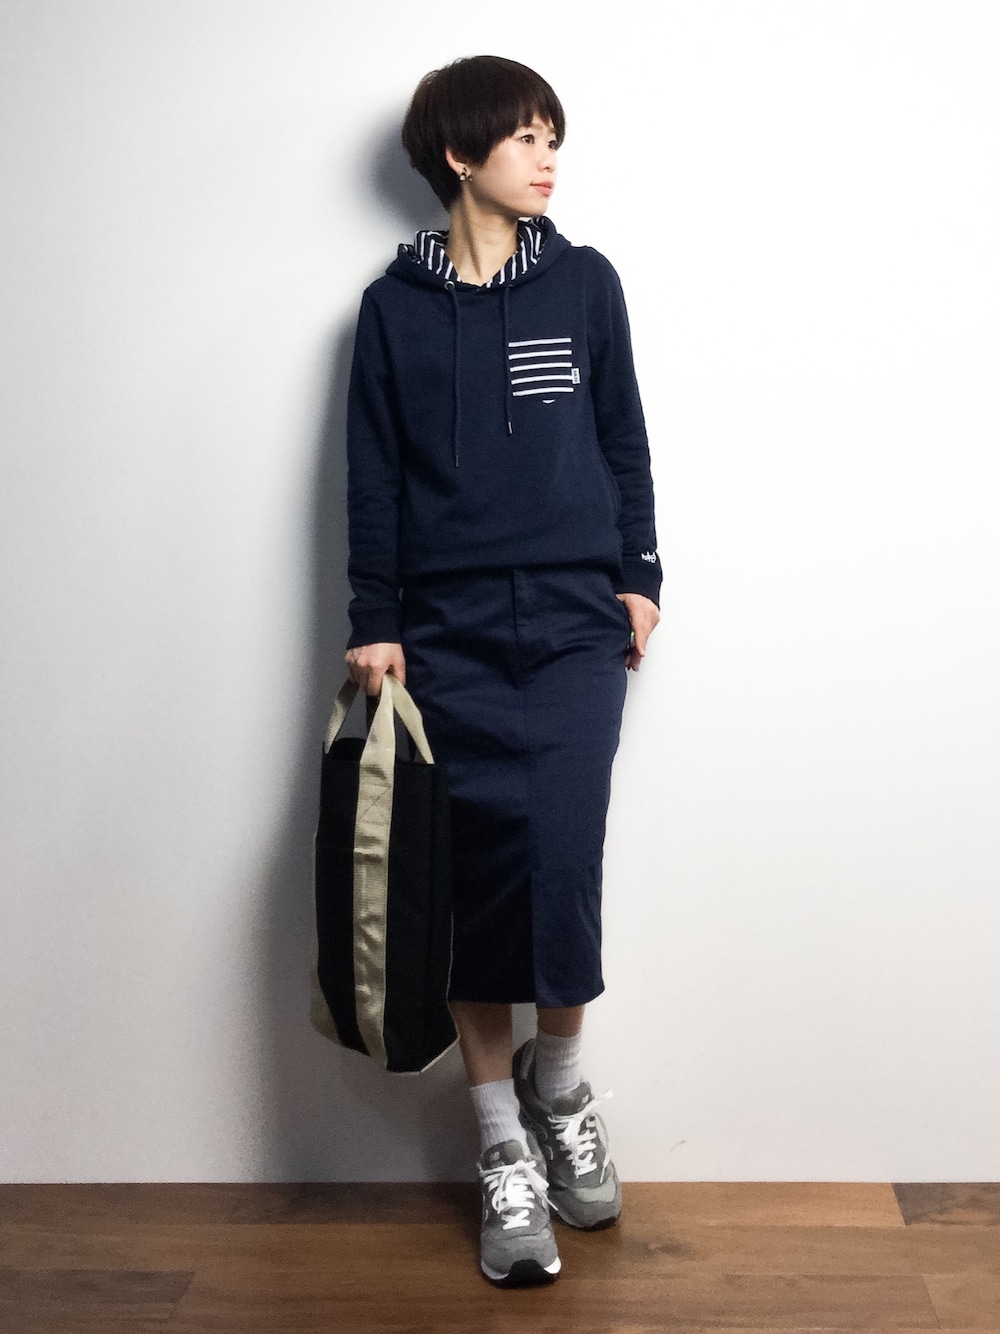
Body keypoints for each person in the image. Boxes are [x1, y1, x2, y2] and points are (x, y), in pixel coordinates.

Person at [343, 54, 660, 1287]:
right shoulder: (391, 309)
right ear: (459, 154)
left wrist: (640, 573)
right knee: (473, 881)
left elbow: (623, 435)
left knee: (561, 863)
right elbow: (373, 474)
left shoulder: (585, 282)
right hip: (447, 632)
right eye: (525, 137)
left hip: (576, 622)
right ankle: (499, 1146)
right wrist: (375, 616)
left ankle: (559, 1085)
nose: (547, 157)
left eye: (552, 137)